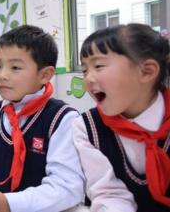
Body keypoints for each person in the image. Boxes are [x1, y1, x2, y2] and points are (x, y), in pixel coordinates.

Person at [0, 25, 85, 212]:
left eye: (15, 67)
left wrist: (9, 204)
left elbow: (66, 186)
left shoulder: (62, 119)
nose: (2, 75)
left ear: (45, 75)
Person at [73, 23, 170, 212]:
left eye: (99, 66)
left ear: (146, 71)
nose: (88, 78)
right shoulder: (87, 127)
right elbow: (109, 195)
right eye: (84, 70)